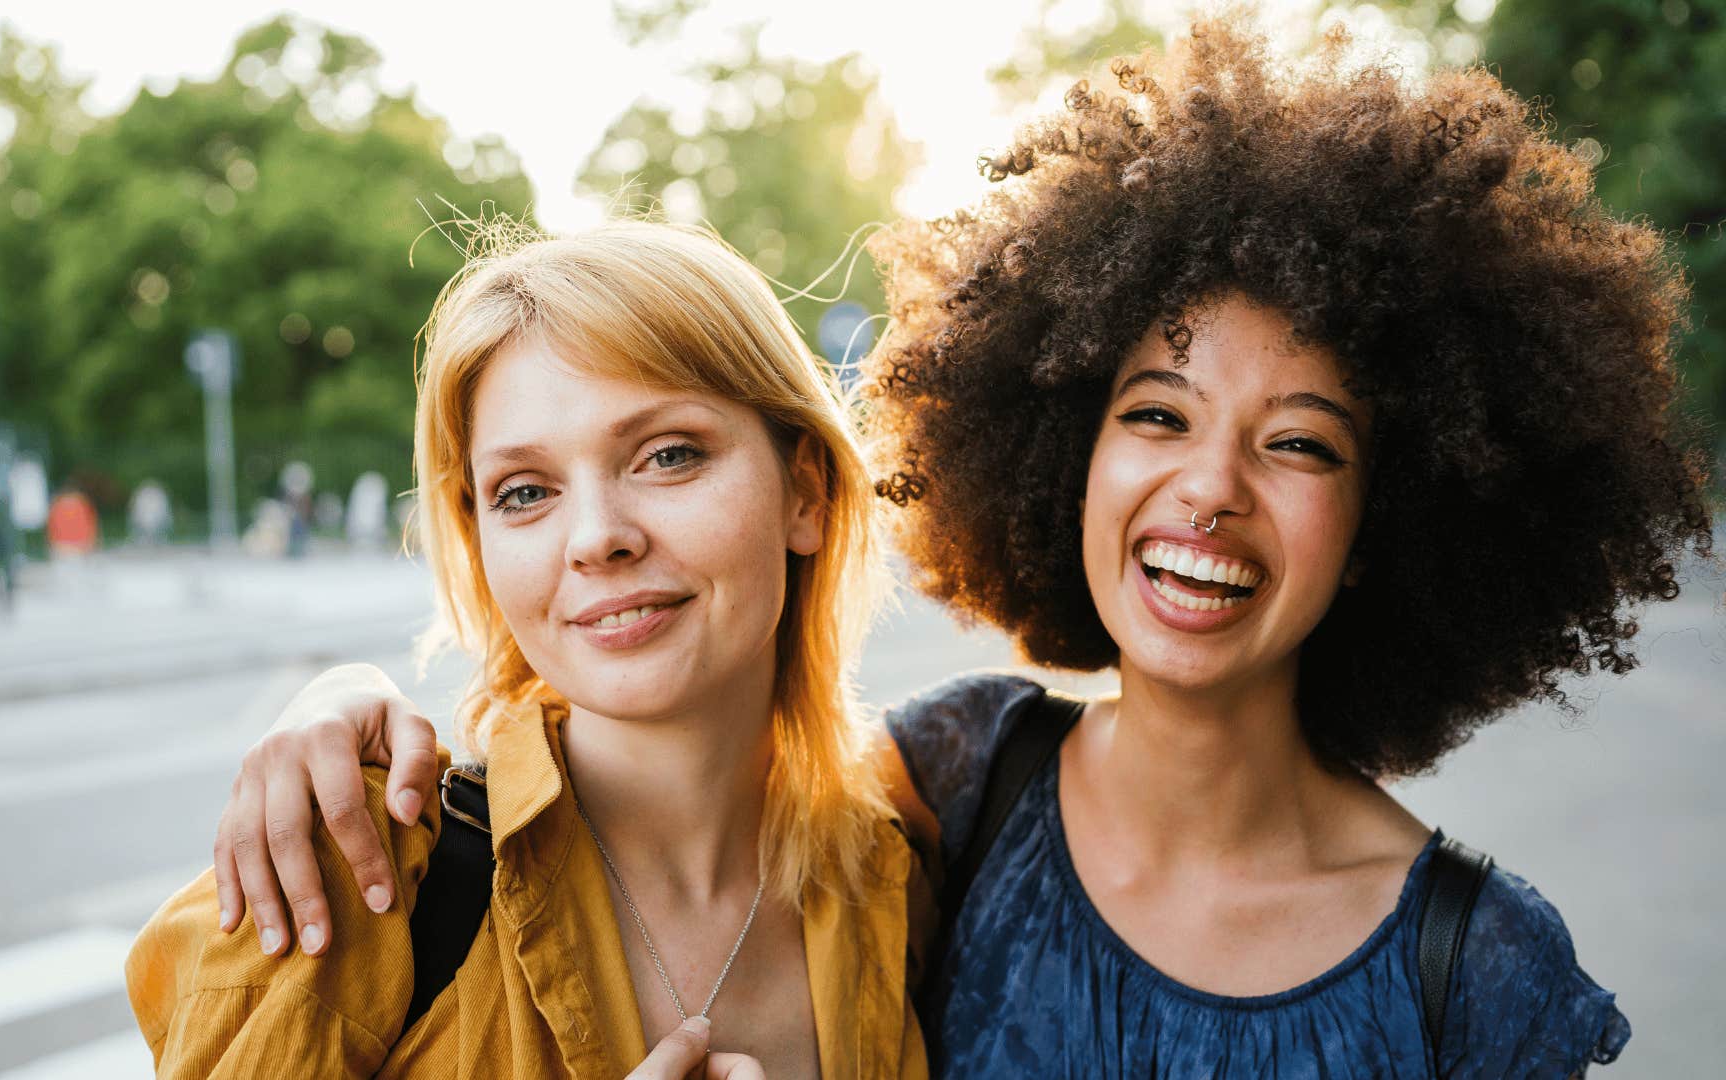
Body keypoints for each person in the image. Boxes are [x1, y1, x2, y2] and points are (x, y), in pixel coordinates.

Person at [203, 15, 1713, 1077]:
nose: (1211, 492)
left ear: (1402, 514)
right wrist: (331, 701)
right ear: (1062, 442)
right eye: (1156, 416)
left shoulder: (1476, 966)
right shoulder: (956, 792)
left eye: (1302, 441)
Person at [124, 222, 930, 1078]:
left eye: (668, 455)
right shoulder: (360, 863)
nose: (595, 538)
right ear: (479, 543)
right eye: (525, 492)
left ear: (803, 492)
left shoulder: (896, 876)